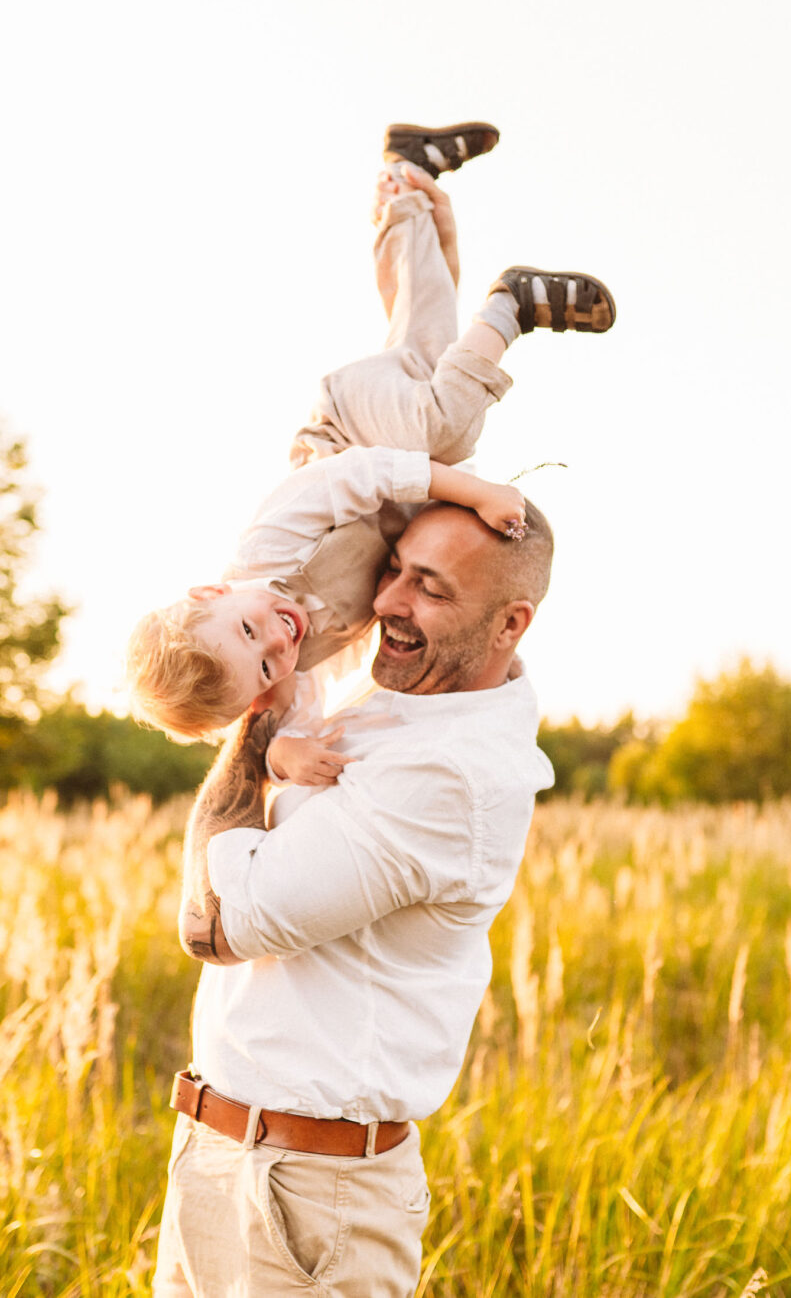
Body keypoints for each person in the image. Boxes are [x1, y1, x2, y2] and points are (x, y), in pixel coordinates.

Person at [153, 493, 557, 1298]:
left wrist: (251, 733)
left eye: (430, 589)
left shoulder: (452, 772)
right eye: (396, 571)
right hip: (218, 1150)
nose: (387, 604)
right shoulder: (386, 709)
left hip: (311, 1196)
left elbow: (219, 926)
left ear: (509, 624)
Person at [125, 121, 615, 767]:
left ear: (211, 595)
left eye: (250, 629)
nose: (278, 637)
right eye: (267, 663)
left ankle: (511, 303)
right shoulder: (290, 674)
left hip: (347, 428)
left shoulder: (266, 546)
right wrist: (287, 759)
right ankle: (409, 177)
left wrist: (475, 489)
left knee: (444, 431)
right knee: (425, 335)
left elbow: (364, 472)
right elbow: (277, 740)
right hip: (389, 453)